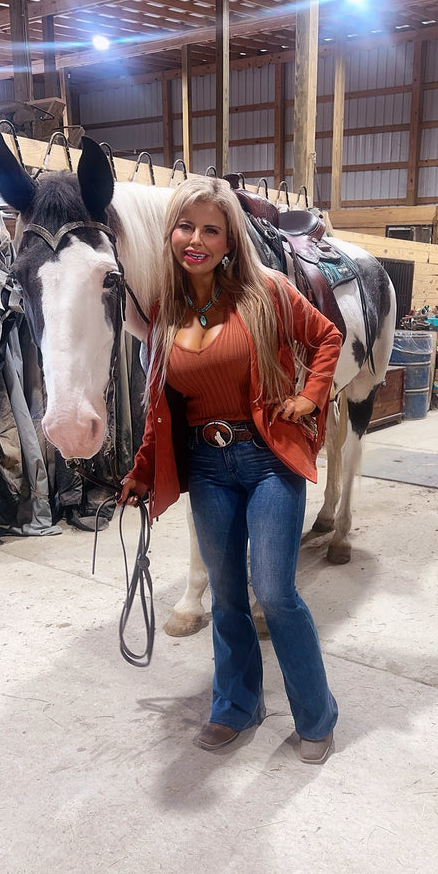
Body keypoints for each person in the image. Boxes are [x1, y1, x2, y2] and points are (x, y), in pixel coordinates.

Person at [118, 175, 342, 764]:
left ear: (228, 239)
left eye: (210, 229)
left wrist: (313, 397)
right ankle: (236, 705)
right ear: (171, 233)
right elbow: (159, 405)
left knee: (274, 590)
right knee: (225, 594)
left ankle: (316, 714)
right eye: (185, 226)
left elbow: (326, 337)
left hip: (267, 459)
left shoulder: (264, 293)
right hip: (208, 466)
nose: (196, 238)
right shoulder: (163, 314)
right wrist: (144, 469)